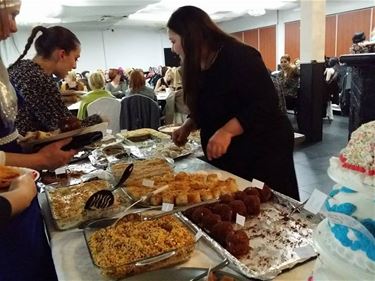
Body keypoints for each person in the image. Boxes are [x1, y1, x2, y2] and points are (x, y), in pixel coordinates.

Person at [168, 6, 299, 200]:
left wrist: (227, 131)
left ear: (191, 37)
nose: (172, 49)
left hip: (264, 148)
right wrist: (189, 124)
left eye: (174, 41)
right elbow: (210, 104)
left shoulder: (240, 56)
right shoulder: (197, 64)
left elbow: (265, 104)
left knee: (268, 207)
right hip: (233, 153)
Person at [0, 1, 77, 280]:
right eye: (11, 15)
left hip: (18, 175)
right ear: (61, 54)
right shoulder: (39, 78)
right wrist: (39, 160)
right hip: (13, 187)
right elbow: (58, 122)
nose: (13, 26)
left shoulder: (17, 68)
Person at [8, 25, 101, 136]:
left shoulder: (21, 69)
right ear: (62, 54)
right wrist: (100, 119)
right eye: (75, 58)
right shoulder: (36, 78)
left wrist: (58, 101)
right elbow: (66, 128)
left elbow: (33, 111)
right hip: (27, 151)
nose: (75, 66)